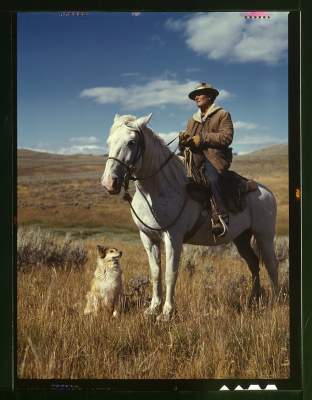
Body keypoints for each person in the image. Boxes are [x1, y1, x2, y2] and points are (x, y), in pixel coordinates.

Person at [179, 82, 234, 237]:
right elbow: (188, 143)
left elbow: (226, 137)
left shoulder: (222, 114)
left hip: (214, 159)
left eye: (200, 94)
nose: (196, 97)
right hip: (194, 159)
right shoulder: (192, 120)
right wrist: (183, 142)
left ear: (209, 96)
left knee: (213, 179)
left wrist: (202, 138)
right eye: (194, 95)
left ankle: (221, 216)